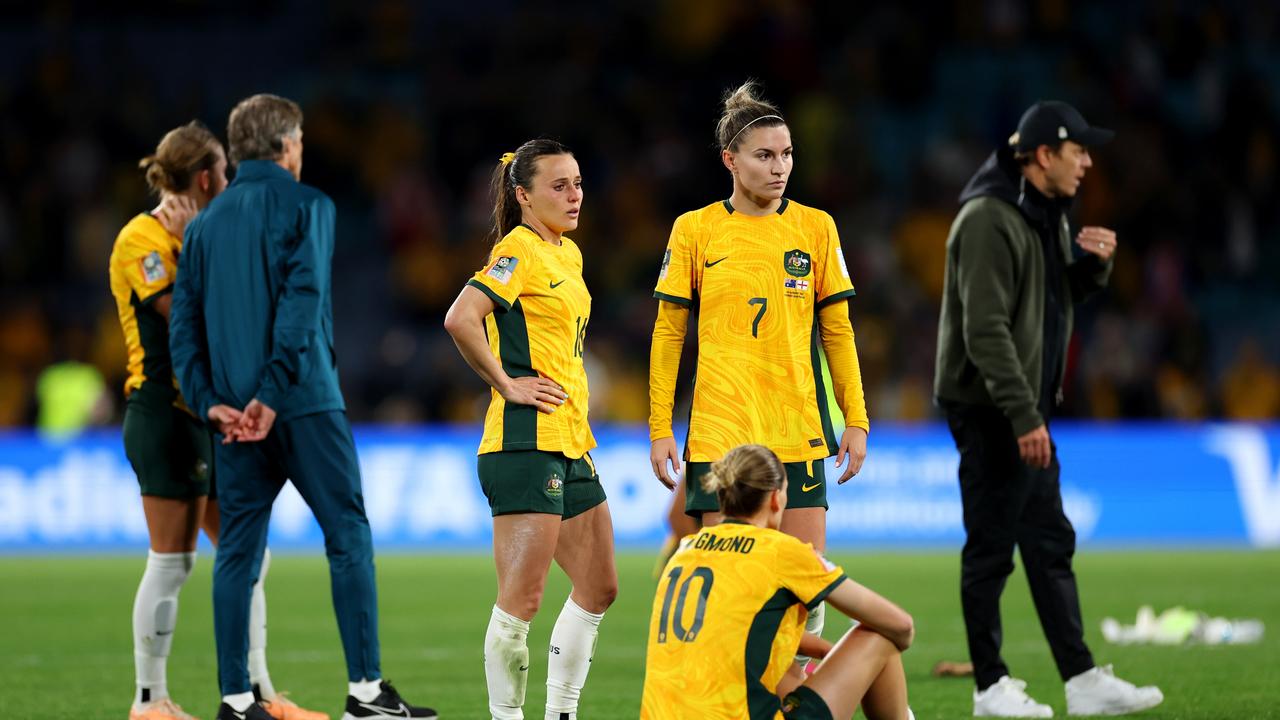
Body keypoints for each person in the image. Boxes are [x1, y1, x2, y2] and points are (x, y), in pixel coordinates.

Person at [169, 95, 435, 720]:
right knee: (346, 536)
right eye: (301, 140)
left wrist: (213, 404)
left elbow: (183, 330)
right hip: (306, 401)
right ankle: (366, 693)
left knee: (236, 552)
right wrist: (273, 391)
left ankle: (236, 701)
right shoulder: (310, 205)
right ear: (286, 144)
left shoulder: (204, 225)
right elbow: (301, 301)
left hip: (233, 419)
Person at [934, 100, 1163, 717]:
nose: (1088, 161)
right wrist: (1023, 415)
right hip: (992, 408)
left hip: (1021, 404)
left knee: (1048, 540)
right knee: (991, 546)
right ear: (1042, 156)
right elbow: (984, 332)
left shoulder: (1044, 213)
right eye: (1078, 150)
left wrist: (1094, 269)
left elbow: (1050, 301)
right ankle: (989, 687)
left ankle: (1082, 678)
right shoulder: (987, 218)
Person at [648, 80, 870, 662]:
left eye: (788, 154)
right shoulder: (694, 230)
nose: (780, 168)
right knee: (724, 588)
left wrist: (857, 419)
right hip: (720, 435)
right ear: (730, 160)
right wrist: (658, 429)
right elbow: (669, 334)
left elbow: (838, 332)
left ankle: (789, 695)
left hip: (796, 427)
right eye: (765, 155)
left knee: (805, 586)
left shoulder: (817, 228)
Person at [109, 121, 324, 720]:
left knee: (249, 555)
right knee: (172, 560)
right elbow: (188, 319)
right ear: (207, 177)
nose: (230, 181)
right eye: (225, 172)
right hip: (165, 413)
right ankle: (148, 701)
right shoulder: (140, 240)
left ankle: (261, 694)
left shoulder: (205, 233)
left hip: (210, 414)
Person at [443, 139, 617, 720]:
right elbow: (461, 318)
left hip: (570, 440)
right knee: (522, 602)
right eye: (559, 186)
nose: (575, 196)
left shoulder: (566, 253)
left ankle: (561, 712)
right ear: (523, 195)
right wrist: (506, 383)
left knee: (599, 586)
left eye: (578, 183)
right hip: (525, 443)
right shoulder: (516, 251)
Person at [640, 444, 915, 720]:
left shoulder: (684, 551)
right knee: (878, 634)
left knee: (776, 672)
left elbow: (735, 630)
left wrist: (835, 656)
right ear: (775, 498)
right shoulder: (782, 551)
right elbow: (901, 626)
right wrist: (858, 667)